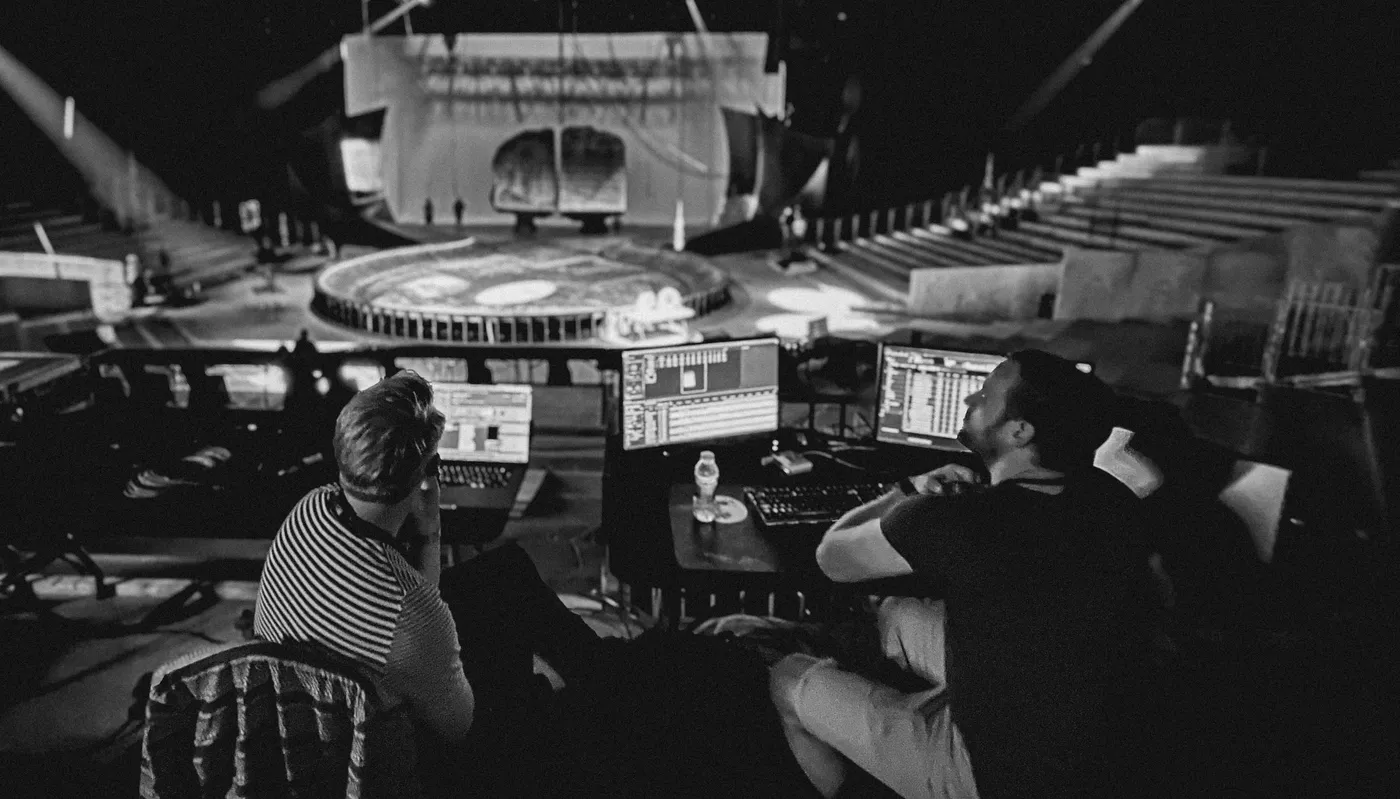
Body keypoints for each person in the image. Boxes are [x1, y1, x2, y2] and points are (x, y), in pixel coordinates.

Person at [770, 350, 1156, 799]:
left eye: (987, 394)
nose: (972, 396)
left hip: (1002, 778)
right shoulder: (1112, 497)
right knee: (896, 614)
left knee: (786, 677)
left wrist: (907, 490)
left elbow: (831, 557)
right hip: (1092, 740)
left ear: (1020, 430)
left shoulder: (959, 519)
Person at [252, 371, 602, 796]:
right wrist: (540, 687)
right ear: (426, 472)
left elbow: (419, 601)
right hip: (395, 760)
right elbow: (463, 731)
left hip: (317, 719)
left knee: (506, 570)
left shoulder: (310, 508)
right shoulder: (412, 612)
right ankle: (600, 687)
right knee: (539, 693)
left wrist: (429, 525)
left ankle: (599, 667)